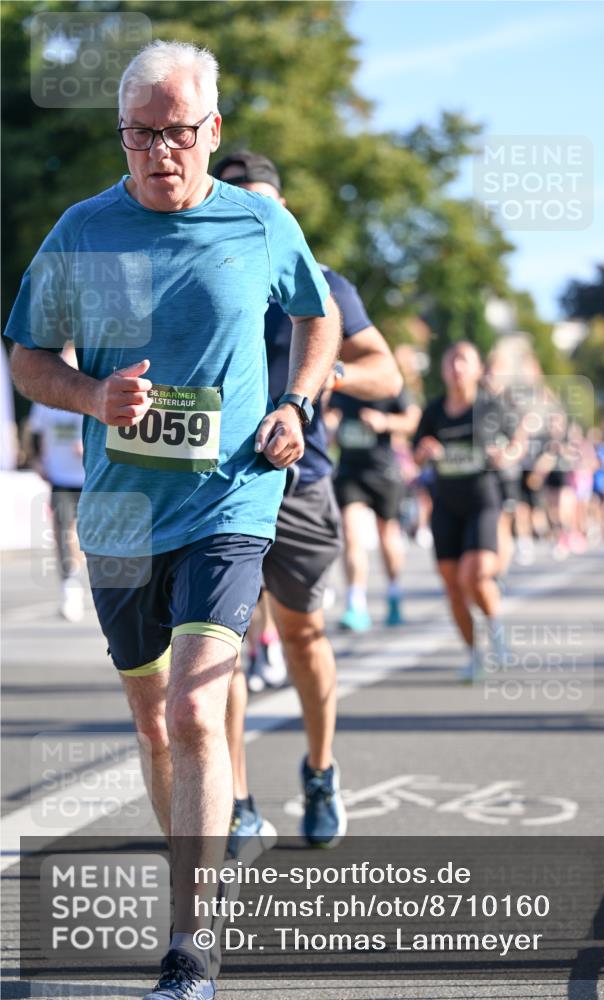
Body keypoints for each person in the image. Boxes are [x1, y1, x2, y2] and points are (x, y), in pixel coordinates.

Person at [6, 41, 340, 1000]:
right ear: (123, 135)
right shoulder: (81, 230)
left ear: (214, 132)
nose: (160, 152)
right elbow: (29, 356)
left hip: (231, 496)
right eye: (141, 134)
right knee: (155, 724)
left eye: (178, 134)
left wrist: (296, 404)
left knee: (198, 707)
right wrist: (90, 393)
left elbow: (315, 319)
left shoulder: (260, 225)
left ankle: (190, 940)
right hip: (118, 515)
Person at [211, 150, 402, 853]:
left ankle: (320, 773)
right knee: (215, 649)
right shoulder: (194, 278)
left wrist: (329, 371)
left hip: (300, 486)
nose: (256, 219)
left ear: (284, 211)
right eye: (240, 206)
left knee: (300, 635)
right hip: (214, 487)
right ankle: (233, 800)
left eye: (267, 205)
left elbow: (387, 374)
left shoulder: (320, 283)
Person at [413, 341, 519, 681]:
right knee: (453, 586)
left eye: (464, 360)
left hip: (482, 499)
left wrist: (508, 454)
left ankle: (496, 629)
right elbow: (415, 455)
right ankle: (474, 654)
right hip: (446, 503)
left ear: (476, 369)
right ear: (443, 370)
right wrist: (425, 451)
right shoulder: (434, 411)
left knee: (473, 575)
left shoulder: (490, 406)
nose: (457, 367)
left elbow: (518, 439)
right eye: (451, 360)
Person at [329, 390, 421, 630]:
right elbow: (327, 415)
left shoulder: (388, 380)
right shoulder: (342, 382)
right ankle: (355, 604)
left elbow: (413, 419)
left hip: (383, 472)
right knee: (350, 534)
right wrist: (331, 426)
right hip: (350, 472)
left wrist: (385, 422)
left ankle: (393, 592)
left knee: (387, 537)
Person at [27, 342, 86, 621]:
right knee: (64, 533)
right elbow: (33, 432)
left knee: (86, 537)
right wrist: (37, 460)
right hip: (61, 477)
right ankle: (69, 588)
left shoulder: (90, 390)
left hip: (91, 477)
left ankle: (95, 586)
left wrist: (88, 447)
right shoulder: (47, 400)